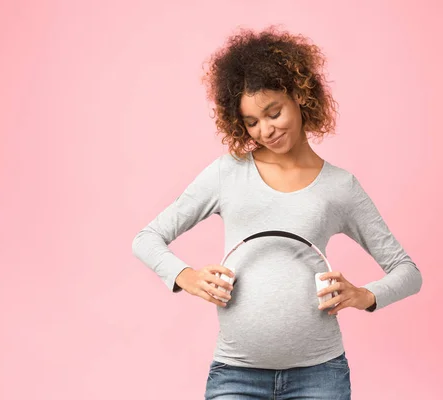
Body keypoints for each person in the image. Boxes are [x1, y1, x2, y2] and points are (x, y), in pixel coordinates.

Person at [132, 25, 422, 400]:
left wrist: (362, 295)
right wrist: (184, 276)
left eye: (274, 112)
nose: (265, 130)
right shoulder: (227, 173)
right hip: (235, 375)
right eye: (252, 122)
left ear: (299, 96)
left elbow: (408, 272)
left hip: (321, 376)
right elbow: (147, 239)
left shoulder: (340, 187)